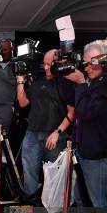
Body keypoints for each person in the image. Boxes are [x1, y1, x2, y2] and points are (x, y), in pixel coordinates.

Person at [65, 40, 107, 207]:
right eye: (85, 64)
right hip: (85, 151)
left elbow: (85, 112)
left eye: (91, 63)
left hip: (98, 156)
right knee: (81, 199)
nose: (86, 68)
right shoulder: (95, 83)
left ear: (103, 61)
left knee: (98, 203)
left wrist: (81, 83)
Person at [16, 49, 75, 196]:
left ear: (59, 63)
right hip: (32, 134)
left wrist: (58, 132)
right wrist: (20, 82)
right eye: (45, 64)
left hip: (55, 137)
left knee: (55, 177)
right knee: (29, 174)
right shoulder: (38, 82)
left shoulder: (67, 83)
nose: (47, 68)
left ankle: (54, 211)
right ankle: (31, 206)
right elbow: (23, 103)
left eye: (50, 64)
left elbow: (72, 113)